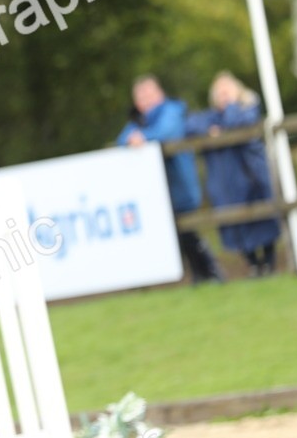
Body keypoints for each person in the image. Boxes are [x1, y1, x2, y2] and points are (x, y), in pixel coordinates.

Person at [117, 75, 225, 284]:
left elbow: (166, 133)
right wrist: (134, 138)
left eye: (149, 93)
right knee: (180, 233)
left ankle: (211, 271)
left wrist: (143, 138)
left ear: (160, 93)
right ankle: (201, 275)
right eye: (141, 96)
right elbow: (124, 138)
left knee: (188, 230)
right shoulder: (139, 121)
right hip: (160, 190)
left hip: (181, 183)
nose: (145, 100)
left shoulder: (172, 111)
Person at [186, 72, 280, 276]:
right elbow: (191, 125)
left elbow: (235, 121)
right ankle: (254, 265)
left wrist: (228, 111)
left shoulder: (247, 110)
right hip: (226, 186)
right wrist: (211, 129)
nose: (224, 96)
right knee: (236, 226)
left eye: (227, 91)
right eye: (220, 93)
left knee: (263, 221)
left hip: (252, 178)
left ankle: (269, 264)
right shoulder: (210, 118)